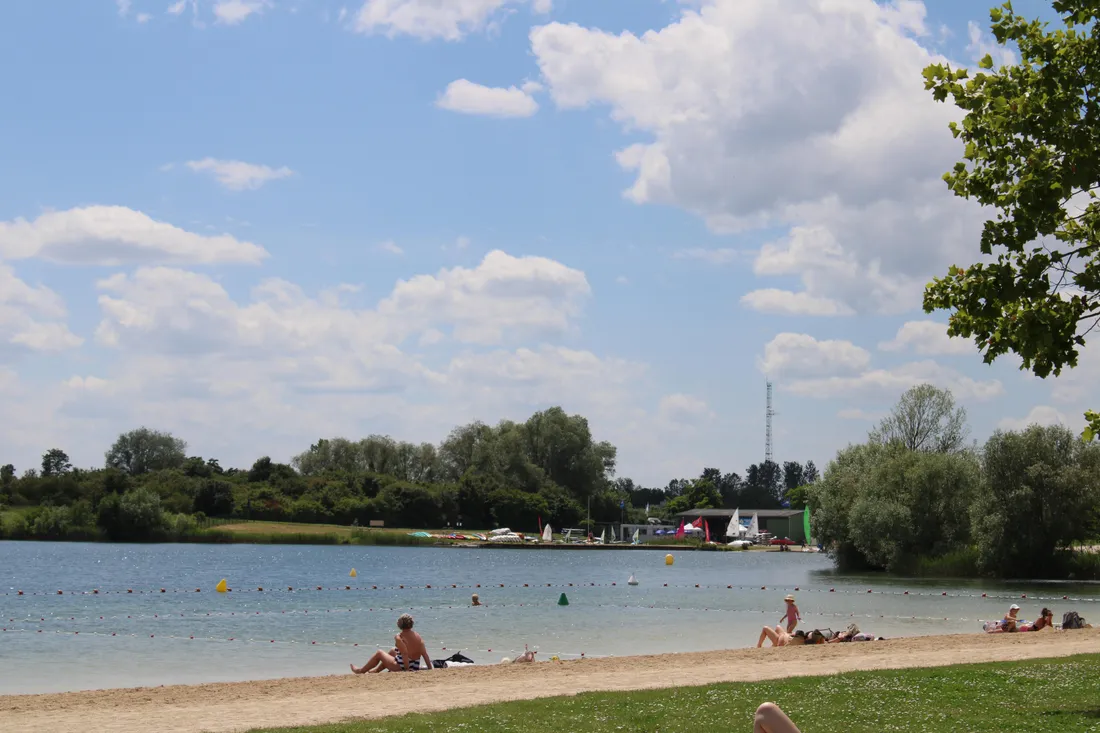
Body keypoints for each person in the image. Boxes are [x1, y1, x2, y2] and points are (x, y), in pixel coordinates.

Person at [351, 613, 433, 673]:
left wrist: (407, 670)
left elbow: (404, 654)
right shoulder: (417, 635)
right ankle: (376, 670)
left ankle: (361, 671)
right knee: (393, 650)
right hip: (415, 665)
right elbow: (424, 654)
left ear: (400, 625)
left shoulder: (399, 637)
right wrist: (430, 668)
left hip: (403, 666)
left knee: (379, 653)